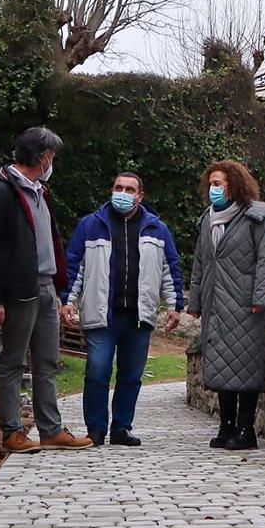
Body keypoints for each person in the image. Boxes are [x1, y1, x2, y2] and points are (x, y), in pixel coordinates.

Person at [0, 127, 93, 454]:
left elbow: (48, 241)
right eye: (51, 157)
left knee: (47, 361)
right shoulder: (1, 190)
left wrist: (57, 290)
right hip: (18, 290)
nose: (52, 162)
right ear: (42, 157)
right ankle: (12, 431)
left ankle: (51, 428)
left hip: (45, 287)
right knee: (13, 360)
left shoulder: (40, 191)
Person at [61, 172, 185, 446]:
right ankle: (95, 429)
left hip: (138, 316)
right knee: (97, 371)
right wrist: (67, 300)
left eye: (129, 189)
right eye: (118, 187)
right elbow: (74, 267)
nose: (123, 193)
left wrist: (174, 305)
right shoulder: (91, 225)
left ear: (140, 196)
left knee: (131, 375)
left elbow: (170, 268)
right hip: (101, 314)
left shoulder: (156, 229)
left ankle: (122, 428)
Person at [186, 160, 265, 451]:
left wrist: (261, 299)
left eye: (219, 184)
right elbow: (201, 262)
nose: (214, 189)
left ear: (234, 185)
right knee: (220, 366)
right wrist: (196, 300)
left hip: (245, 304)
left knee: (246, 367)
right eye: (211, 183)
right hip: (216, 305)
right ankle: (226, 426)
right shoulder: (207, 219)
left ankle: (245, 429)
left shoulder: (255, 217)